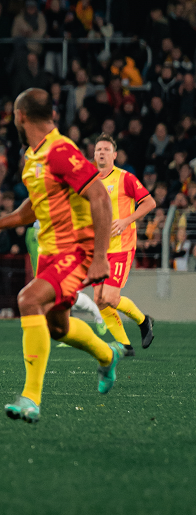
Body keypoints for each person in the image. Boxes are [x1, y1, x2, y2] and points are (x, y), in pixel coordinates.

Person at [0, 88, 122, 425]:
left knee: (28, 300)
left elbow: (100, 196)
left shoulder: (60, 150)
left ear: (19, 115)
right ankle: (107, 355)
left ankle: (30, 399)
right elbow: (34, 207)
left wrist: (99, 258)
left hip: (76, 251)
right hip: (51, 252)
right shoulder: (34, 155)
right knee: (58, 328)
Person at [92, 134, 157, 353]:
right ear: (94, 154)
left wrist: (127, 220)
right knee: (99, 300)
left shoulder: (125, 178)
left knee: (110, 297)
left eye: (106, 149)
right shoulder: (89, 181)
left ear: (114, 155)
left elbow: (150, 202)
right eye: (98, 149)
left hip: (121, 247)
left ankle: (143, 321)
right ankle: (125, 345)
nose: (101, 152)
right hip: (99, 250)